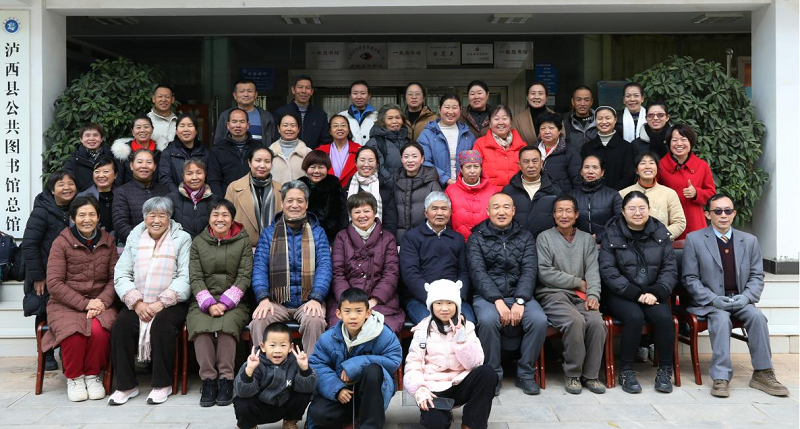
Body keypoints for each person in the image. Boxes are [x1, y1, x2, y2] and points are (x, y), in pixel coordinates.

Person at [682, 194, 789, 398]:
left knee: (757, 317)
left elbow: (757, 275)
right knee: (721, 318)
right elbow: (690, 278)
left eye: (728, 210)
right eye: (718, 211)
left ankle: (763, 373)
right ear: (708, 214)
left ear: (734, 213)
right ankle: (721, 377)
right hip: (711, 302)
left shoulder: (749, 241)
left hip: (740, 299)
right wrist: (713, 299)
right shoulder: (695, 240)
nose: (723, 215)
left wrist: (747, 297)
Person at [109, 197, 191, 405]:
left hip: (172, 301)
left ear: (169, 217)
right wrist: (136, 302)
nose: (156, 220)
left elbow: (186, 276)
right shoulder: (135, 237)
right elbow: (122, 273)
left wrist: (161, 303)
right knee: (122, 326)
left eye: (162, 215)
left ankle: (162, 384)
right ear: (144, 217)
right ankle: (126, 386)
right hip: (139, 300)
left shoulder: (181, 238)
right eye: (151, 215)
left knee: (162, 326)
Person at [468, 193, 547, 396]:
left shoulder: (525, 236)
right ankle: (493, 375)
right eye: (496, 207)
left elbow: (529, 270)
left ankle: (525, 373)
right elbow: (478, 273)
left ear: (513, 211)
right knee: (487, 320)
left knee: (538, 320)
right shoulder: (476, 237)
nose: (501, 212)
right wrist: (497, 300)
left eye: (506, 207)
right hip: (487, 297)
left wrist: (520, 300)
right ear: (488, 211)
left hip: (520, 295)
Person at [598, 191, 677, 394]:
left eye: (642, 208)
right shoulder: (612, 233)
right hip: (621, 293)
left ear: (649, 210)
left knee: (664, 317)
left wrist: (657, 292)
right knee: (634, 316)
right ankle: (626, 371)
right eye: (632, 208)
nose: (637, 212)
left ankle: (665, 371)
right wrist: (636, 294)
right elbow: (608, 271)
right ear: (623, 211)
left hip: (652, 293)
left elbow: (669, 268)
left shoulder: (660, 232)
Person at [41, 196, 118, 401]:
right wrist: (86, 304)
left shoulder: (108, 241)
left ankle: (92, 375)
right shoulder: (61, 242)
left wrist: (101, 302)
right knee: (73, 332)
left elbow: (114, 278)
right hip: (65, 303)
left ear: (98, 217)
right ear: (73, 218)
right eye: (82, 215)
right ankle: (74, 377)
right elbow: (54, 283)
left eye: (92, 214)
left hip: (100, 302)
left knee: (100, 331)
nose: (87, 219)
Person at [249, 181, 332, 353]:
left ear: (306, 204)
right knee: (259, 320)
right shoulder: (269, 233)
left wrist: (316, 298)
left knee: (315, 320)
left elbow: (324, 268)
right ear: (282, 203)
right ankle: (262, 366)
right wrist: (263, 298)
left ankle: (311, 367)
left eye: (300, 201)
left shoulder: (318, 232)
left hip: (308, 301)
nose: (295, 205)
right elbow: (259, 269)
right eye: (290, 200)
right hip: (277, 301)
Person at [535, 195, 606, 395]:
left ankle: (591, 375)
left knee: (596, 322)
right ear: (553, 214)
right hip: (553, 294)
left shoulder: (586, 239)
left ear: (576, 215)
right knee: (575, 321)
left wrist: (593, 295)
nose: (563, 215)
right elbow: (545, 273)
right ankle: (573, 374)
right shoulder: (544, 238)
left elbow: (592, 270)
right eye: (559, 211)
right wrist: (577, 282)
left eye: (568, 211)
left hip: (581, 296)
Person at [404, 279, 497, 429]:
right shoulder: (422, 331)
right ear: (431, 305)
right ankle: (440, 414)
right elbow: (413, 364)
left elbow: (476, 363)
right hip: (434, 389)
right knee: (435, 423)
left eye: (449, 303)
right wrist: (419, 388)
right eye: (438, 303)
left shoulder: (467, 327)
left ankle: (471, 424)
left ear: (457, 305)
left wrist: (461, 339)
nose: (444, 308)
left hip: (460, 382)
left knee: (487, 373)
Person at [188, 198, 253, 407]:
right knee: (200, 328)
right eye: (215, 214)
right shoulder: (198, 242)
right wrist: (209, 303)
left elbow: (244, 276)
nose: (220, 219)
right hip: (203, 300)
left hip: (235, 301)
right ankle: (208, 380)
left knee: (227, 327)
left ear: (232, 218)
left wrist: (225, 303)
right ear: (208, 218)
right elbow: (195, 277)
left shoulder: (243, 241)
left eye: (225, 215)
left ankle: (226, 379)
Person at [306, 288, 402, 429]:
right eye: (347, 311)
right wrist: (336, 389)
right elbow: (317, 365)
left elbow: (393, 361)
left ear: (368, 313)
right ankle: (353, 418)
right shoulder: (329, 337)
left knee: (373, 370)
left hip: (372, 392)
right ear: (338, 313)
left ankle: (370, 424)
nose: (353, 316)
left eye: (358, 311)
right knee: (319, 415)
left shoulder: (383, 333)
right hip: (343, 391)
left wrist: (357, 363)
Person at [22, 170, 78, 371]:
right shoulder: (42, 211)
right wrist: (38, 276)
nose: (66, 188)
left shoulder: (77, 208)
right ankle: (45, 355)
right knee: (44, 311)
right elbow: (29, 244)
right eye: (61, 184)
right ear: (52, 190)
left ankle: (65, 348)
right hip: (45, 273)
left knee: (67, 312)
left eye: (70, 184)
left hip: (69, 273)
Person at [329, 192, 403, 333]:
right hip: (347, 299)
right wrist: (350, 302)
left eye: (366, 211)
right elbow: (337, 273)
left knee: (383, 329)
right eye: (357, 212)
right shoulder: (342, 237)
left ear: (374, 212)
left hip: (381, 300)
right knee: (339, 327)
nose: (362, 215)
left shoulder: (388, 238)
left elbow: (391, 273)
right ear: (351, 215)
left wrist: (374, 300)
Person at [400, 192, 474, 324]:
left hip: (452, 298)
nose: (440, 213)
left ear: (450, 212)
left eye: (444, 209)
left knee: (467, 324)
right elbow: (410, 273)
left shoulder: (457, 238)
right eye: (434, 209)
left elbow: (464, 272)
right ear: (425, 213)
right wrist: (432, 298)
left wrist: (457, 296)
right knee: (432, 326)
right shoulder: (411, 237)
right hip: (421, 298)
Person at [233, 323, 317, 429]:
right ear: (263, 347)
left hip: (283, 405)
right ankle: (249, 426)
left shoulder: (295, 362)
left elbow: (309, 388)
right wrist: (249, 370)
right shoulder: (253, 363)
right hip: (259, 407)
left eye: (283, 345)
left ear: (290, 347)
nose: (277, 350)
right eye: (272, 345)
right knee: (241, 400)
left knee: (303, 393)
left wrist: (304, 369)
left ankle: (290, 421)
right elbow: (242, 392)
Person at [657, 124, 716, 240]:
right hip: (670, 224)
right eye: (674, 140)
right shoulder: (660, 166)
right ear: (669, 143)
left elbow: (712, 195)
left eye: (684, 139)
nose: (679, 144)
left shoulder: (702, 166)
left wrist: (696, 193)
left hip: (696, 223)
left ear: (691, 142)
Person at [225, 147, 282, 248]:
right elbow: (226, 218)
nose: (262, 165)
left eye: (267, 161)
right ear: (249, 163)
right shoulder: (234, 187)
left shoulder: (281, 189)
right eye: (258, 160)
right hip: (241, 248)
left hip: (274, 248)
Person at [620, 152, 686, 240]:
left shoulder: (669, 193)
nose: (647, 166)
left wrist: (659, 237)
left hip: (661, 244)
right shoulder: (623, 194)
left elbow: (679, 222)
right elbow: (618, 223)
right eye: (643, 163)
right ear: (636, 170)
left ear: (657, 168)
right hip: (631, 243)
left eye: (651, 163)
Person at [111, 149, 170, 245]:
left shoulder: (165, 191)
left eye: (149, 162)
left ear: (154, 167)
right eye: (139, 162)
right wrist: (145, 242)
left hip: (164, 245)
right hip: (134, 245)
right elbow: (120, 225)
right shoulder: (122, 192)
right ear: (131, 166)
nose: (144, 166)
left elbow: (171, 220)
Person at [417, 94, 476, 187]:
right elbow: (424, 162)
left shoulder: (468, 135)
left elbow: (475, 163)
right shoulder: (427, 134)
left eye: (454, 107)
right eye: (447, 107)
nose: (450, 111)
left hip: (465, 187)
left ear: (460, 109)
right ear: (439, 109)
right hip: (435, 187)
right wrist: (446, 180)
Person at [503, 147, 561, 238]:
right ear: (519, 165)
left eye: (535, 161)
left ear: (541, 163)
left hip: (546, 242)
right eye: (526, 162)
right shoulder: (508, 192)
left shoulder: (554, 190)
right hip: (516, 242)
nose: (531, 165)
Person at [207, 108, 263, 196]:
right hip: (227, 199)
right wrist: (221, 201)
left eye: (242, 122)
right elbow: (214, 180)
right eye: (234, 121)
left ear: (248, 125)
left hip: (254, 198)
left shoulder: (258, 148)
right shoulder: (218, 149)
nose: (238, 125)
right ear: (228, 125)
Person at [569, 155, 623, 243]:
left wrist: (599, 237)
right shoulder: (571, 195)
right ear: (581, 172)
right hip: (577, 243)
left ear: (602, 172)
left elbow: (620, 221)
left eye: (595, 167)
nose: (590, 171)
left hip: (606, 244)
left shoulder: (613, 195)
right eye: (586, 167)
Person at [580, 106, 636, 190]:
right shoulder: (587, 148)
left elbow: (629, 175)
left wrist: (614, 193)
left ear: (615, 120)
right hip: (592, 193)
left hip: (620, 194)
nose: (604, 122)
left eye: (608, 118)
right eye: (600, 118)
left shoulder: (626, 147)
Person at [394, 142, 442, 241]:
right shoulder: (395, 181)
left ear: (422, 159)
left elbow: (440, 212)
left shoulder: (432, 183)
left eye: (414, 156)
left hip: (426, 238)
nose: (410, 160)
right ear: (401, 159)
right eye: (406, 157)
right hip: (400, 238)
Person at [472, 105, 527, 189]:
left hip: (516, 193)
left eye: (504, 118)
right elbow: (474, 171)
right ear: (490, 124)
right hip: (489, 194)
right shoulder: (480, 144)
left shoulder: (522, 146)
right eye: (496, 119)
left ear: (510, 123)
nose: (501, 122)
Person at [298, 150, 348, 243]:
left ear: (327, 168)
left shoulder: (333, 184)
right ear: (306, 168)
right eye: (312, 167)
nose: (316, 171)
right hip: (300, 235)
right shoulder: (299, 184)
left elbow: (337, 214)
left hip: (326, 237)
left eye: (321, 167)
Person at [346, 146, 398, 234]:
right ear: (355, 163)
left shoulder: (386, 189)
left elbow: (390, 222)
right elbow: (342, 221)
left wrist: (383, 239)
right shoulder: (346, 190)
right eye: (362, 160)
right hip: (351, 238)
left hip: (380, 238)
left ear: (377, 164)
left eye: (370, 160)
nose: (366, 164)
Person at [445, 150, 494, 240]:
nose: (472, 171)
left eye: (476, 166)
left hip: (486, 242)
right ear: (461, 169)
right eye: (468, 167)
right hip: (457, 241)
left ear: (481, 168)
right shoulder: (451, 190)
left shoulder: (492, 191)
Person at [273, 75, 331, 149]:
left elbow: (325, 142)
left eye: (307, 88)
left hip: (313, 155)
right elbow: (276, 139)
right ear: (293, 90)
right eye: (300, 87)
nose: (304, 91)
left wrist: (313, 154)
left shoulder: (321, 116)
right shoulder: (280, 113)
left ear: (312, 91)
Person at [214, 79, 276, 146]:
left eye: (249, 91)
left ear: (256, 94)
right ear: (235, 95)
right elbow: (218, 141)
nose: (246, 94)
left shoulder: (266, 116)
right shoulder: (225, 115)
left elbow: (273, 142)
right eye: (241, 91)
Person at [159, 112, 208, 193]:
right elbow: (165, 179)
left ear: (196, 130)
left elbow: (211, 178)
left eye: (190, 126)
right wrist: (180, 196)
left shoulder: (206, 152)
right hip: (176, 198)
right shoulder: (168, 153)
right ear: (176, 131)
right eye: (182, 126)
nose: (186, 129)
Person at [111, 114, 167, 185]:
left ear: (152, 129)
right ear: (132, 131)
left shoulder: (161, 152)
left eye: (146, 127)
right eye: (138, 127)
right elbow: (118, 182)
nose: (142, 130)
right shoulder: (122, 152)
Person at [537, 111, 582, 193]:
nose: (547, 132)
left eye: (551, 128)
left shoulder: (570, 152)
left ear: (559, 130)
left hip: (562, 198)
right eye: (543, 128)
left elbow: (578, 182)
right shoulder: (533, 150)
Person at [168, 158, 213, 239]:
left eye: (199, 173)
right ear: (183, 176)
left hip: (206, 245)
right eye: (189, 174)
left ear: (205, 174)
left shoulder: (214, 200)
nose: (194, 177)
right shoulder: (171, 199)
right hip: (180, 245)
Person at [366, 103, 410, 186]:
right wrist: (393, 182)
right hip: (384, 188)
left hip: (406, 187)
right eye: (390, 118)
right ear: (382, 122)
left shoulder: (408, 142)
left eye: (398, 118)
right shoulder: (374, 142)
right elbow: (376, 168)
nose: (395, 121)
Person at [63, 122, 114, 192]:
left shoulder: (112, 157)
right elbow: (67, 183)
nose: (91, 138)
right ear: (81, 139)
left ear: (101, 138)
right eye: (87, 135)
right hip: (83, 197)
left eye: (95, 135)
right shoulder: (74, 160)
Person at [77, 155, 118, 236]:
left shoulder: (123, 195)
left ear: (115, 175)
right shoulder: (83, 197)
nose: (101, 175)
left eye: (106, 171)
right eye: (97, 171)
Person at [269, 113, 313, 186]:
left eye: (293, 125)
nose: (289, 129)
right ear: (279, 129)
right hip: (275, 193)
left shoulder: (307, 153)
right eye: (285, 125)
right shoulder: (269, 153)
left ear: (298, 129)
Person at [319, 115, 359, 188]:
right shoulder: (320, 151)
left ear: (349, 129)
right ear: (330, 131)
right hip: (328, 191)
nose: (340, 128)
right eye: (335, 126)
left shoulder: (359, 150)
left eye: (343, 125)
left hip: (353, 190)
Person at [512, 82, 556, 146]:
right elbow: (514, 144)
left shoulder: (555, 117)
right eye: (533, 93)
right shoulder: (518, 120)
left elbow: (562, 140)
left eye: (540, 93)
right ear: (527, 97)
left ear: (546, 97)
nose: (536, 97)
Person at [339, 80, 377, 145]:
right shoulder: (341, 116)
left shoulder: (377, 116)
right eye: (355, 93)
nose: (359, 97)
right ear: (350, 96)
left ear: (369, 95)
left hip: (371, 151)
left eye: (363, 93)